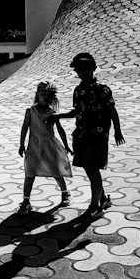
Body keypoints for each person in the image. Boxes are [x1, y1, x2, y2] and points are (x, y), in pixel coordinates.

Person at [52, 52, 124, 215]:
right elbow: (77, 111)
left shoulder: (103, 89)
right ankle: (103, 198)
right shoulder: (78, 91)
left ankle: (94, 206)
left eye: (87, 68)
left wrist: (117, 131)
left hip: (97, 136)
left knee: (92, 168)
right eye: (79, 69)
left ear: (94, 68)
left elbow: (112, 110)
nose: (83, 72)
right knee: (89, 169)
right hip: (81, 135)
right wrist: (59, 116)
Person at [17, 81, 72, 212]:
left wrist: (66, 146)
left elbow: (60, 129)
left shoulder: (52, 112)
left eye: (48, 94)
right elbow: (25, 127)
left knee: (56, 171)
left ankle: (65, 193)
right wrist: (21, 144)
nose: (45, 97)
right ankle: (26, 201)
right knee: (29, 173)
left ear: (52, 97)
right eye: (42, 94)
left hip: (49, 145)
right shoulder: (31, 111)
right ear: (37, 95)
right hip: (34, 146)